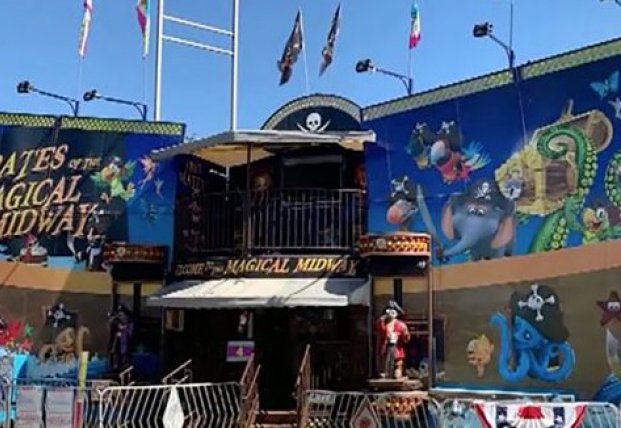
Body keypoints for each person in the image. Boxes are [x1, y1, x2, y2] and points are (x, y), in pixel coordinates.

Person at [376, 301, 410, 379]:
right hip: (386, 349)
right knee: (384, 363)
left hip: (397, 349)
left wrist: (405, 334)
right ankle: (385, 371)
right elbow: (379, 327)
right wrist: (382, 319)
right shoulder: (382, 323)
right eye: (389, 310)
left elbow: (406, 338)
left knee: (398, 364)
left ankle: (398, 371)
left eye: (393, 310)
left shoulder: (400, 324)